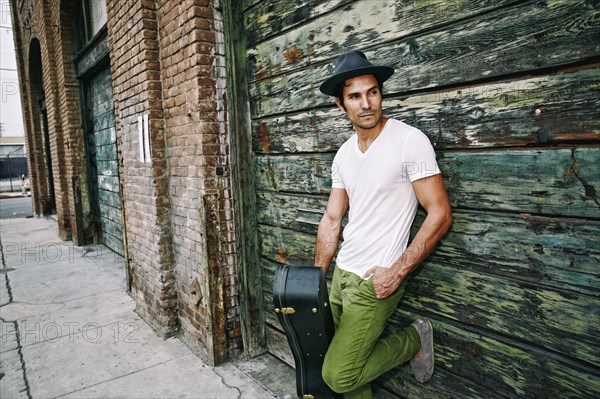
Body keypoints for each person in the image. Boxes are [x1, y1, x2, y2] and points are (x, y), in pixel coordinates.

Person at [314, 50, 453, 398]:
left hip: (374, 280)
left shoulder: (408, 141)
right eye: (355, 96)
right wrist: (317, 277)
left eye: (372, 92)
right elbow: (332, 219)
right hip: (341, 277)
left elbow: (439, 214)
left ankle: (412, 339)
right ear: (340, 104)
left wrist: (398, 270)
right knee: (351, 374)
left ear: (381, 93)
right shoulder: (344, 154)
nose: (366, 104)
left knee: (339, 375)